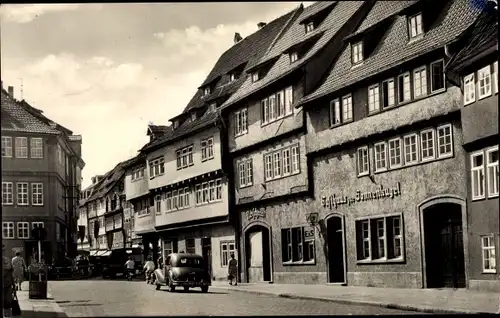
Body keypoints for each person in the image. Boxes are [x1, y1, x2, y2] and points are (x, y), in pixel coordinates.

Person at [3, 244, 15, 317]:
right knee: (7, 303)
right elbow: (11, 275)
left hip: (7, 285)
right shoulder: (7, 260)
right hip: (7, 285)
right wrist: (13, 285)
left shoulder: (8, 260)